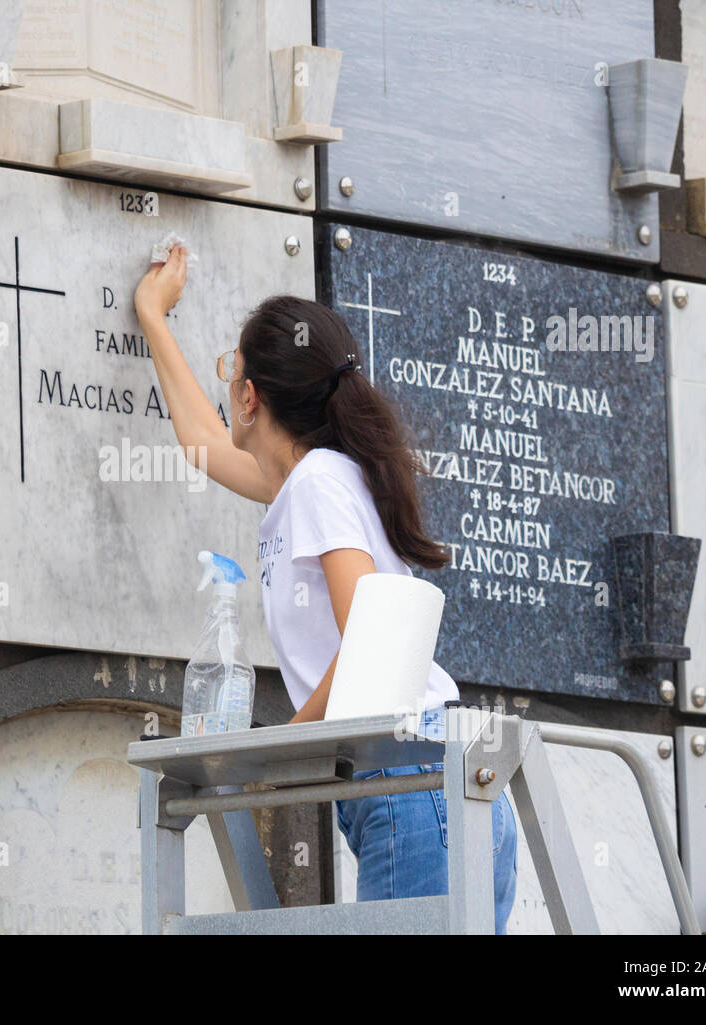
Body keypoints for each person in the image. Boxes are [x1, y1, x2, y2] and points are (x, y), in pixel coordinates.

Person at [133, 245, 517, 933]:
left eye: (231, 375)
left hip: (413, 777)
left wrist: (286, 740)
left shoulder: (316, 483)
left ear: (249, 397)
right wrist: (153, 317)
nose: (227, 392)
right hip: (423, 783)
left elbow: (368, 634)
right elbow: (200, 442)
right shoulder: (309, 481)